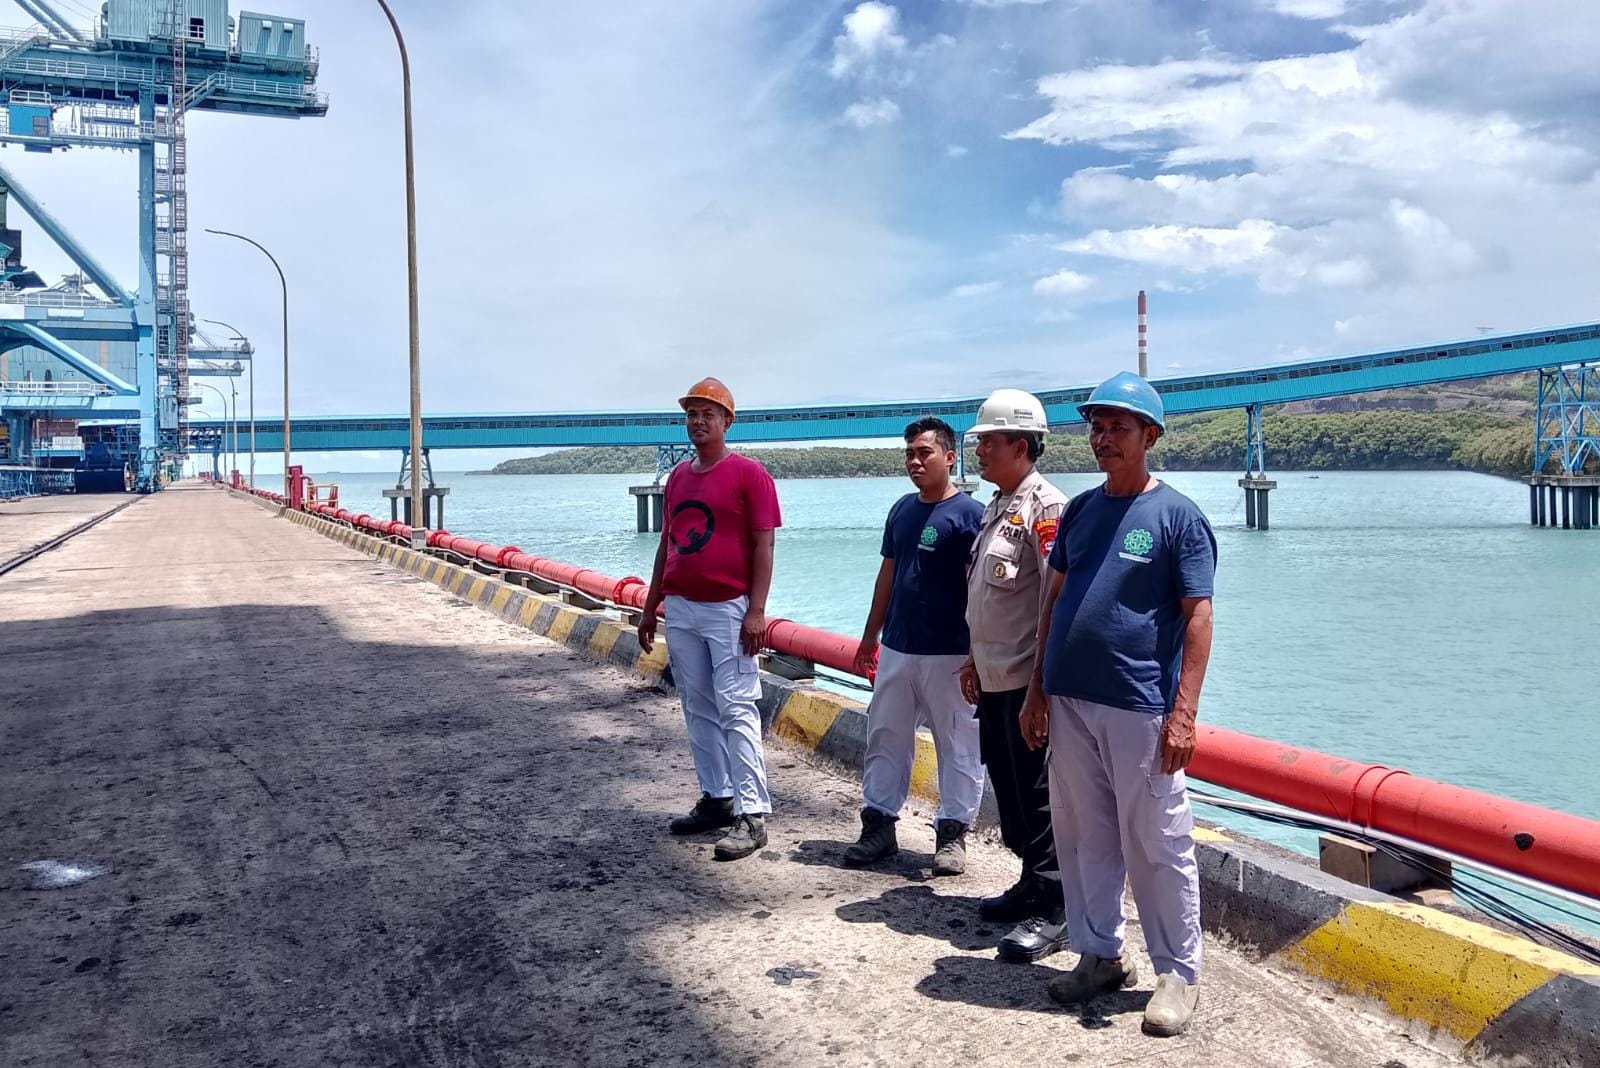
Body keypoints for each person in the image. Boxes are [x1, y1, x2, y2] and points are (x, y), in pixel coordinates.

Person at [1020, 371, 1216, 1037]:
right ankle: (1099, 953)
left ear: (1149, 437)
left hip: (1140, 705)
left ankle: (1178, 973)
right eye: (1097, 427)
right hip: (1070, 700)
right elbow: (1053, 601)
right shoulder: (1080, 510)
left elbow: (1198, 618)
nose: (1103, 438)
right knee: (1082, 834)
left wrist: (1183, 714)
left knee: (1156, 840)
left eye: (1118, 428)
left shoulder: (1178, 517)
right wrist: (1037, 688)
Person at [638, 377, 782, 862]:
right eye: (691, 414)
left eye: (708, 414)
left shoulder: (749, 475)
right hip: (681, 607)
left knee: (737, 706)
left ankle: (752, 813)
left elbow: (764, 545)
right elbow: (667, 543)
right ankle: (717, 796)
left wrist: (756, 610)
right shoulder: (678, 477)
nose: (698, 422)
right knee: (696, 705)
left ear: (727, 422)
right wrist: (651, 605)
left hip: (728, 609)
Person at [844, 417, 986, 874]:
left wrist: (977, 653)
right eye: (909, 454)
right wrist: (870, 636)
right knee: (885, 735)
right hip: (898, 646)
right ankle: (879, 824)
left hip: (950, 651)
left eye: (925, 453)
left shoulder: (971, 515)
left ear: (950, 457)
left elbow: (979, 589)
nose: (915, 462)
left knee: (958, 742)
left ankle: (953, 833)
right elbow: (888, 574)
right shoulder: (902, 510)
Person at [958, 389, 1069, 963]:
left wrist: (1041, 690)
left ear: (1020, 446)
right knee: (1011, 791)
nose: (979, 451)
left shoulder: (1046, 508)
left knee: (1041, 798)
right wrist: (972, 659)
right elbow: (985, 596)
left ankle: (1055, 910)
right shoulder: (996, 506)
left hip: (1027, 683)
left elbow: (1055, 599)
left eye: (989, 442)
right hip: (995, 676)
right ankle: (1030, 884)